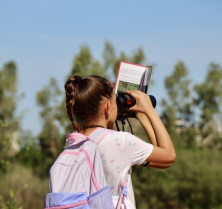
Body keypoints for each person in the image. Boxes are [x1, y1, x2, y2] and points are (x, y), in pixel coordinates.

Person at [64, 75, 176, 209]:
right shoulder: (120, 142)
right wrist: (149, 111)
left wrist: (141, 117)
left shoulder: (73, 143)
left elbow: (159, 161)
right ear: (107, 107)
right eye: (115, 100)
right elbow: (168, 156)